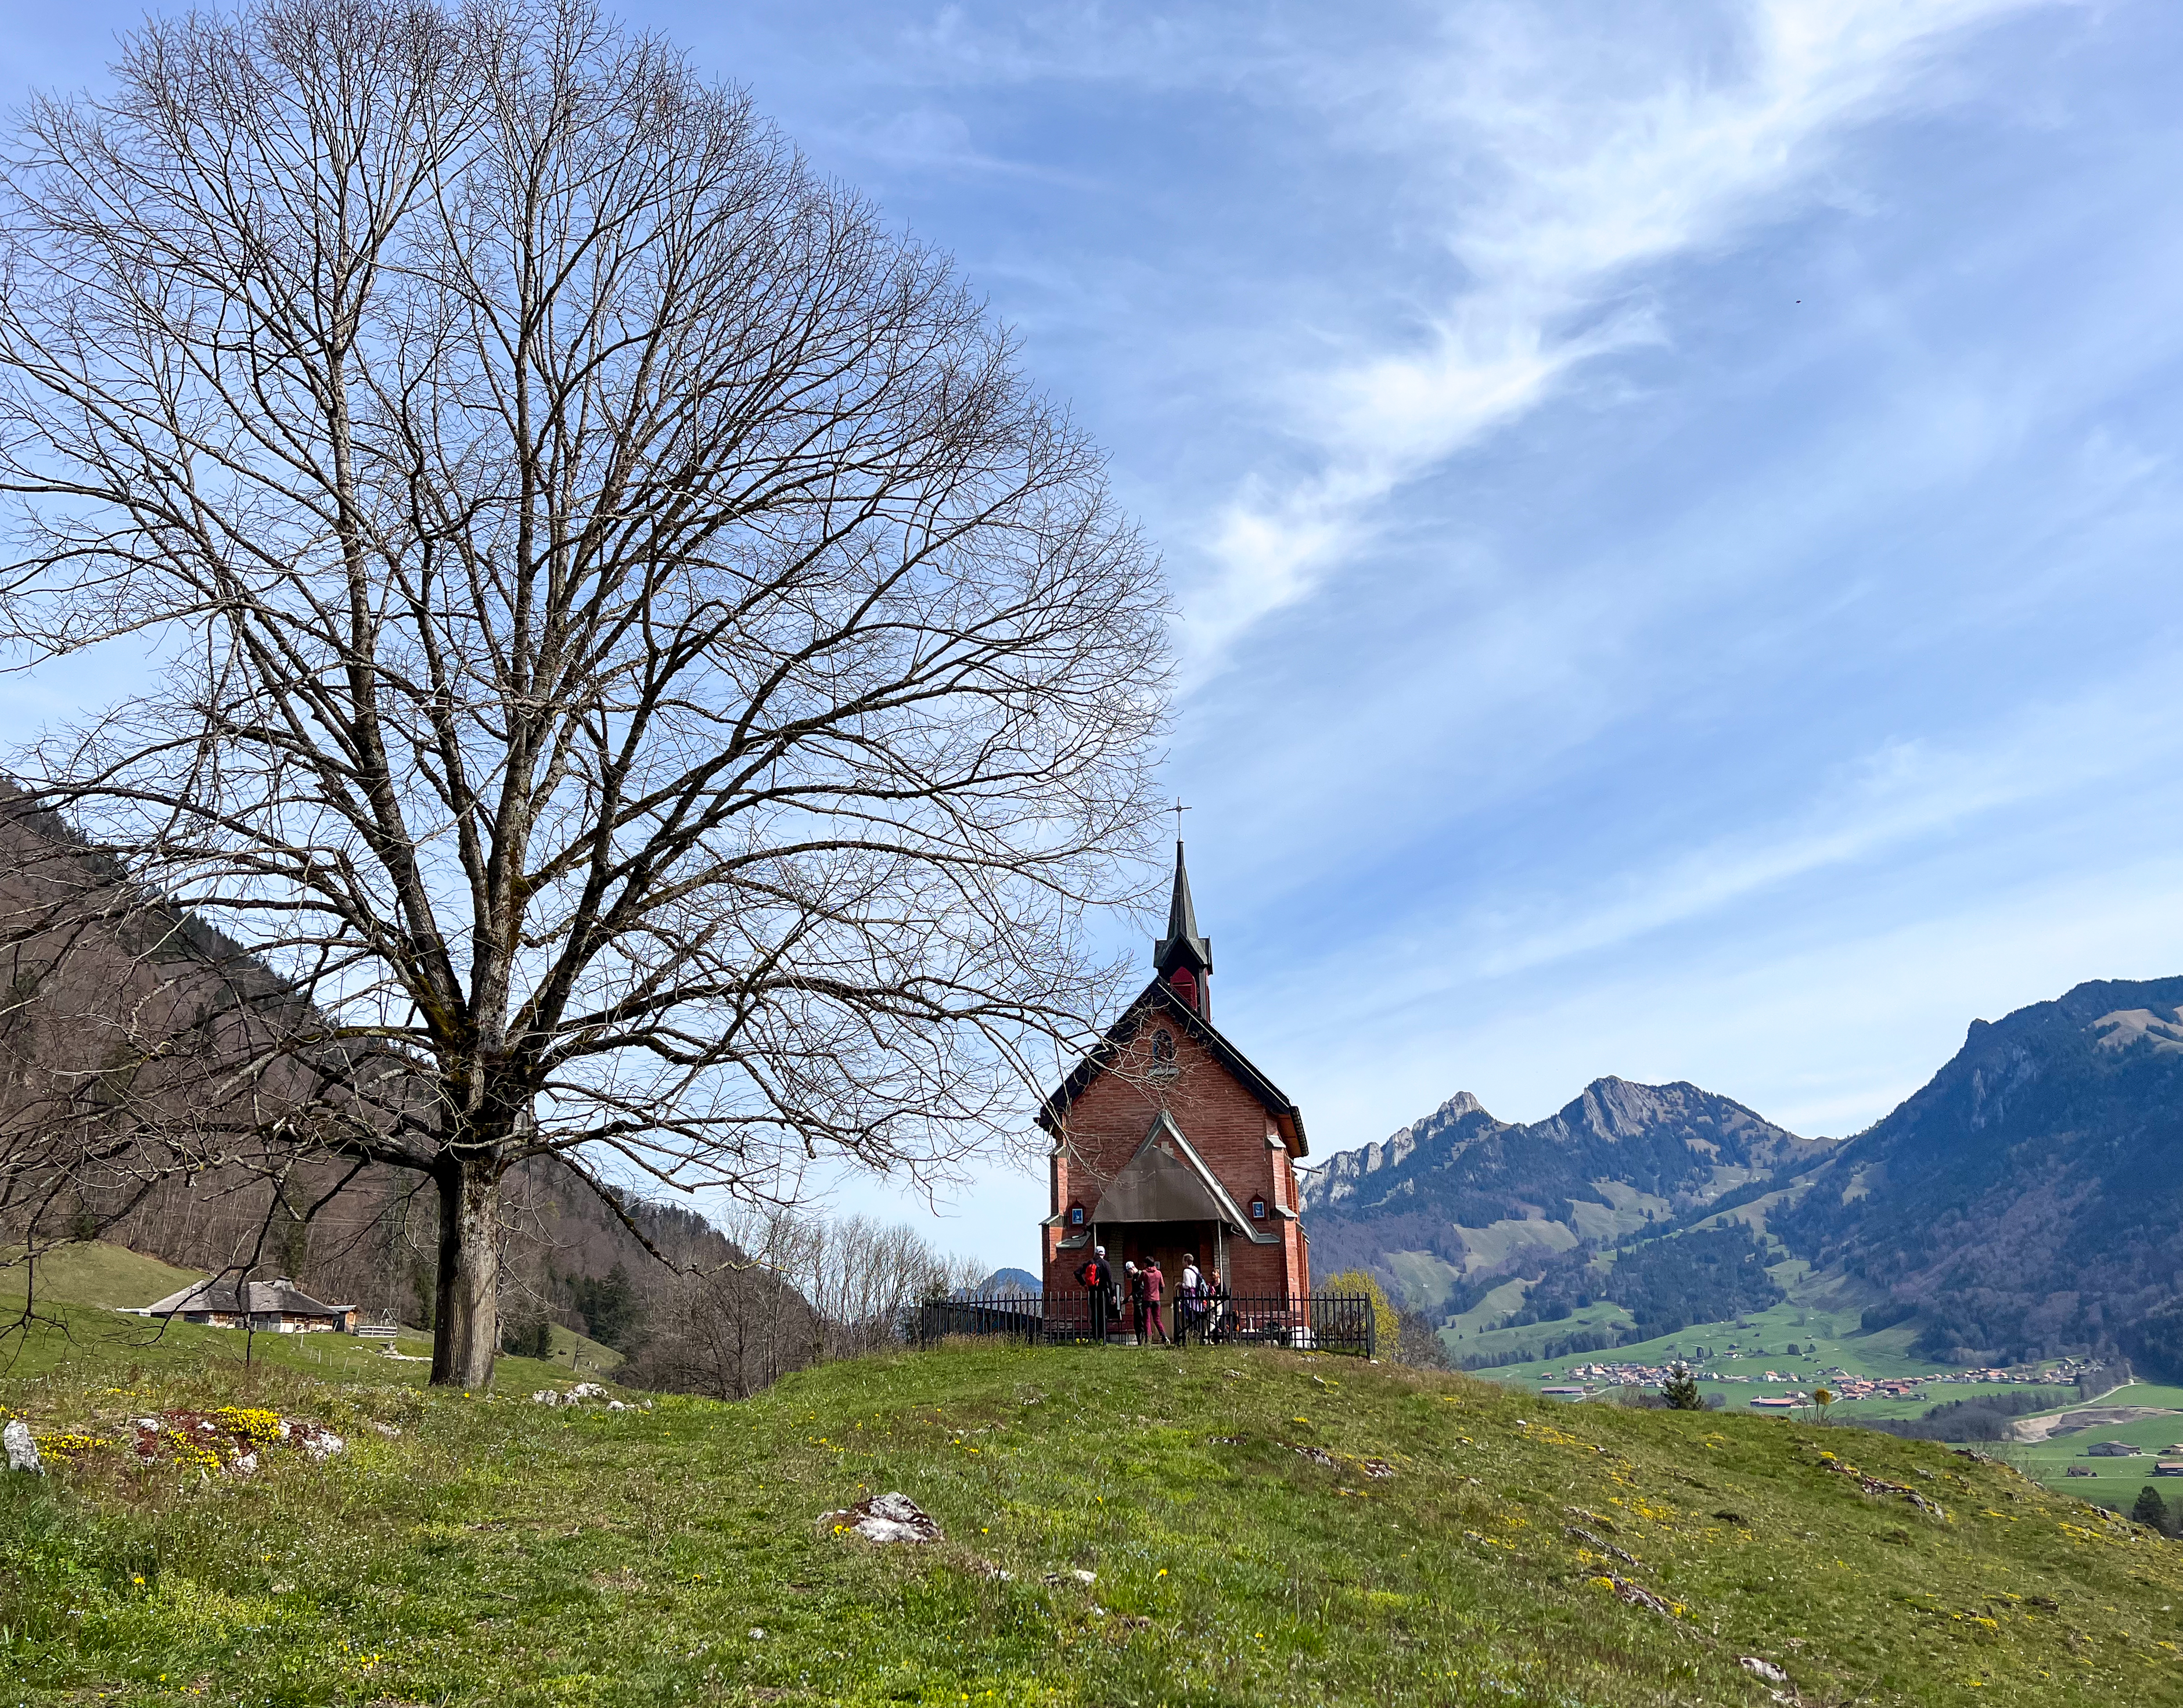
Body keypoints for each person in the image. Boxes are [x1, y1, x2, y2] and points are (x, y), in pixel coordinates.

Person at [1076, 1245, 1114, 1343]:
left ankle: (1096, 1337)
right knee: (1104, 1315)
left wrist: (1084, 1284)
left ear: (1095, 1253)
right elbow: (1110, 1281)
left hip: (1093, 1292)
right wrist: (1113, 1294)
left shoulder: (1090, 1263)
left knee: (1095, 1315)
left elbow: (1077, 1273)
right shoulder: (1106, 1264)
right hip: (1104, 1293)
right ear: (1104, 1254)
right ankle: (1103, 1338)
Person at [1177, 1252, 1204, 1346]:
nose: (1182, 1263)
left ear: (1186, 1261)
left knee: (1188, 1318)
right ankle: (1198, 1336)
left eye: (1183, 1261)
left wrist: (1180, 1284)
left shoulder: (1186, 1271)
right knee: (1196, 1317)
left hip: (1189, 1297)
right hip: (1197, 1297)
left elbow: (1188, 1285)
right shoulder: (1195, 1269)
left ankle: (1187, 1338)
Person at [1142, 1256, 1169, 1344]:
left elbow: (1139, 1282)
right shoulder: (1158, 1273)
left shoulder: (1144, 1273)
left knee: (1147, 1319)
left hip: (1147, 1299)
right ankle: (1164, 1336)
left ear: (1146, 1264)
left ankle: (1148, 1338)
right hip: (1157, 1299)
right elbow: (1163, 1285)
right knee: (1157, 1319)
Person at [1124, 1260, 1146, 1343]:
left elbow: (1142, 1289)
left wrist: (1134, 1296)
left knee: (1141, 1323)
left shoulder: (1140, 1276)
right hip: (1136, 1304)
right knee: (1136, 1324)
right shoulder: (1134, 1278)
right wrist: (1125, 1301)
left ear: (1131, 1269)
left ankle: (1143, 1341)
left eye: (1128, 1272)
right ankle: (1139, 1341)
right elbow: (1133, 1291)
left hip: (1141, 1303)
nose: (1128, 1274)